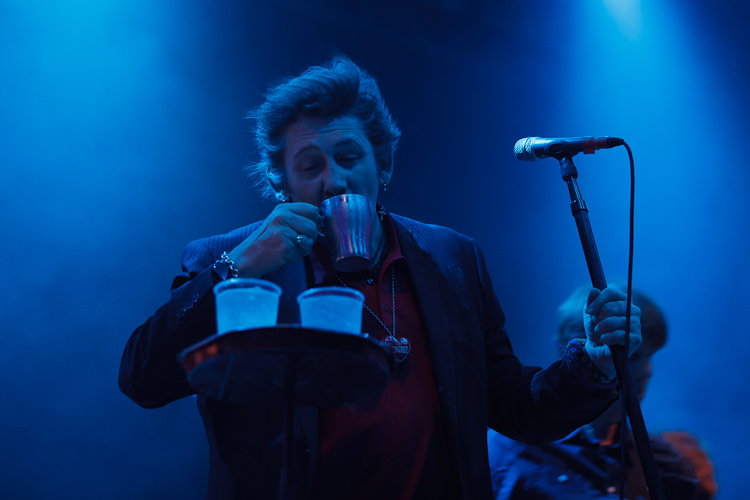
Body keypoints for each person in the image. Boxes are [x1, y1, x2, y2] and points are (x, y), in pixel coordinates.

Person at [119, 56, 643, 500]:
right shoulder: (227, 259)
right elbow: (142, 379)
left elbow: (513, 404)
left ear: (382, 166)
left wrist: (594, 367)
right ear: (283, 187)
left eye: (349, 157)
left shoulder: (453, 258)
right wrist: (239, 266)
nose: (335, 179)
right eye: (310, 165)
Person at [487, 286, 717, 500]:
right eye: (633, 356)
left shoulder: (667, 464)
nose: (648, 370)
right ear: (581, 354)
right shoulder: (507, 452)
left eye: (650, 357)